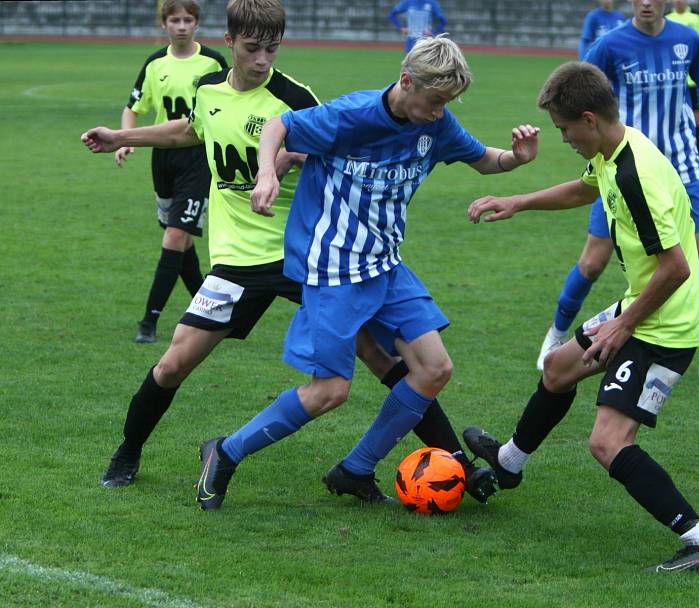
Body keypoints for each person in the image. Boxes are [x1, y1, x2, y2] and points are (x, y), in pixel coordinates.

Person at [82, 0, 496, 507]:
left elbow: (332, 144)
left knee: (387, 359)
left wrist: (277, 166)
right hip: (237, 258)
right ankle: (127, 454)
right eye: (252, 48)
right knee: (174, 363)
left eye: (271, 48)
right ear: (230, 42)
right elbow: (192, 130)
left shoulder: (296, 96)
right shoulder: (209, 91)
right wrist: (121, 135)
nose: (261, 59)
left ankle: (453, 462)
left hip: (312, 254)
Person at [195, 35, 540, 511]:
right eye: (435, 100)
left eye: (448, 103)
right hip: (333, 267)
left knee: (434, 368)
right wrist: (267, 174)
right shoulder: (351, 116)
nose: (440, 112)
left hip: (385, 266)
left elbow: (483, 159)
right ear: (405, 81)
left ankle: (355, 468)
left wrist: (515, 159)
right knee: (330, 391)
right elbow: (278, 125)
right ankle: (225, 452)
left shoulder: (435, 125)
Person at [465, 61, 699, 572]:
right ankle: (508, 465)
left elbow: (675, 268)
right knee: (558, 369)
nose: (563, 138)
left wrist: (623, 326)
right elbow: (585, 189)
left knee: (607, 443)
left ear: (588, 119)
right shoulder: (614, 149)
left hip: (663, 325)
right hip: (642, 305)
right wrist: (519, 201)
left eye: (565, 130)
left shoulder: (637, 175)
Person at [536, 0, 699, 380]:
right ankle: (555, 338)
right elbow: (578, 91)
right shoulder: (610, 44)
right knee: (592, 262)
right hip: (625, 168)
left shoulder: (687, 38)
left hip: (681, 166)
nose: (646, 2)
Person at [119, 0, 228, 343]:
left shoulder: (213, 62)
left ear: (197, 24)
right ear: (164, 24)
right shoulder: (155, 63)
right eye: (175, 20)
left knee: (175, 236)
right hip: (162, 157)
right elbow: (132, 107)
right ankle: (212, 310)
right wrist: (124, 140)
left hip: (196, 157)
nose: (181, 26)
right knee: (178, 239)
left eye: (188, 20)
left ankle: (148, 322)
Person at [667, 0, 699, 130]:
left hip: (692, 78)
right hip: (672, 77)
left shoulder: (697, 17)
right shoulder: (666, 17)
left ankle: (697, 144)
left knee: (697, 114)